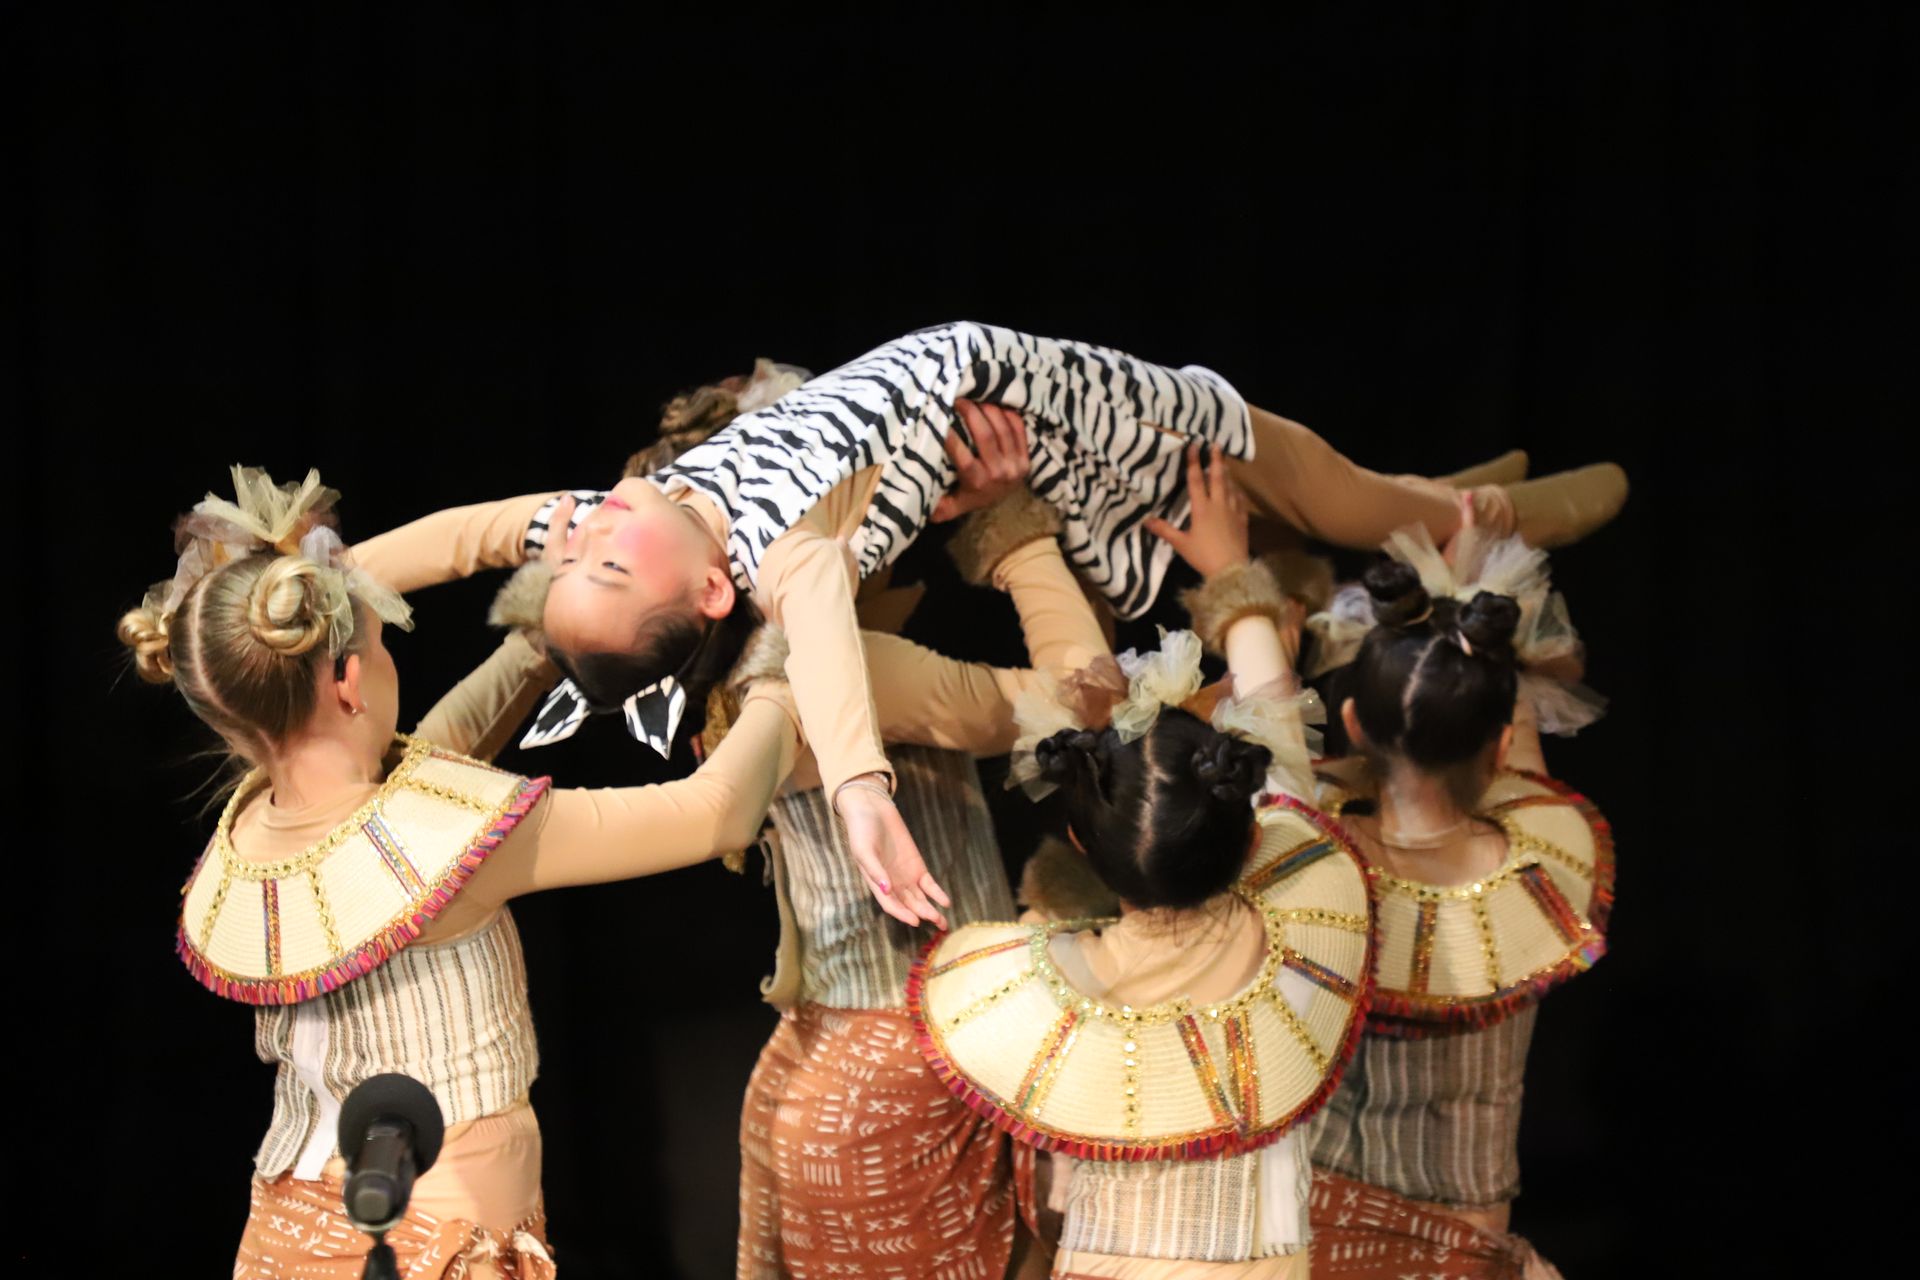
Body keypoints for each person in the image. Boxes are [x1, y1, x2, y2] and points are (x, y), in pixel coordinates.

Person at [365, 321, 1628, 934]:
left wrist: (323, 573)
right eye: (599, 559)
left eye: (574, 555)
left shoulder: (618, 519)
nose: (580, 527)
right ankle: (1471, 512)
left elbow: (468, 535)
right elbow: (820, 608)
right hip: (1041, 410)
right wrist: (861, 789)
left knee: (1296, 481)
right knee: (1273, 469)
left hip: (991, 387)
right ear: (705, 597)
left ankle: (1439, 499)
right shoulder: (774, 559)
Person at [117, 468, 802, 1279]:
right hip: (435, 1239)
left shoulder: (258, 831)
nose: (388, 659)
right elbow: (716, 813)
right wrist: (781, 668)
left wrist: (539, 642)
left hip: (286, 1234)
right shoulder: (446, 838)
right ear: (347, 682)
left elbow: (428, 773)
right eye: (380, 644)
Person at [910, 449, 1375, 1278]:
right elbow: (1281, 730)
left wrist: (1013, 525)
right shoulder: (1310, 918)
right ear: (1249, 827)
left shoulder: (1050, 980)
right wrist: (1232, 576)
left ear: (1081, 843)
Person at [1294, 510, 1612, 1280]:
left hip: (1319, 1235)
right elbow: (1515, 736)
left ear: (1350, 723)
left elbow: (1271, 718)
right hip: (1465, 1247)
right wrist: (1476, 575)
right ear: (1500, 744)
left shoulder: (1312, 865)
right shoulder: (1540, 869)